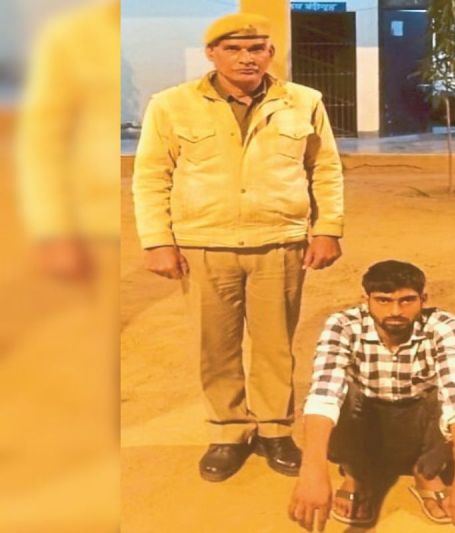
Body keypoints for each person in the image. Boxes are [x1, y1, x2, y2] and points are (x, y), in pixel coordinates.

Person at [132, 13, 344, 482]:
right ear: (211, 53)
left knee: (275, 346)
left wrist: (328, 227)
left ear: (270, 53)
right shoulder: (171, 105)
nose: (246, 58)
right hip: (204, 243)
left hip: (279, 243)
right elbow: (151, 176)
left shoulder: (303, 102)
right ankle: (228, 431)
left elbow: (325, 169)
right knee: (216, 346)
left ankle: (274, 430)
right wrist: (157, 241)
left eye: (256, 48)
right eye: (233, 48)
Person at [288, 261, 455, 530]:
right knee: (340, 394)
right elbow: (324, 393)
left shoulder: (444, 325)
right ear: (366, 300)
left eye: (407, 300)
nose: (395, 311)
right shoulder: (342, 325)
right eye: (384, 300)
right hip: (363, 426)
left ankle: (427, 473)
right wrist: (311, 471)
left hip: (420, 428)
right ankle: (356, 475)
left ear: (423, 299)